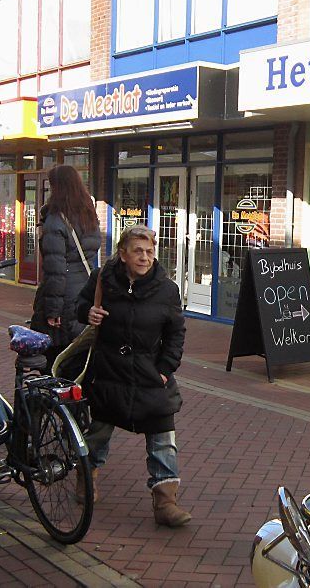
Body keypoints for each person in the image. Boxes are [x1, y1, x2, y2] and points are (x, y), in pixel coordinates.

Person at [77, 225, 190, 527]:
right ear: (123, 254)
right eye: (138, 251)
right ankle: (87, 477)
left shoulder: (166, 290)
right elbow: (79, 305)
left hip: (149, 375)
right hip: (109, 372)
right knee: (98, 432)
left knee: (163, 436)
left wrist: (165, 370)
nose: (145, 257)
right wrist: (88, 312)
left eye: (150, 251)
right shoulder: (103, 279)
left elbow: (176, 333)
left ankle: (166, 501)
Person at [30, 164, 101, 368]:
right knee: (77, 352)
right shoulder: (89, 216)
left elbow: (56, 270)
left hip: (64, 295)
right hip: (84, 288)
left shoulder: (55, 220)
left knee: (54, 355)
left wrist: (53, 310)